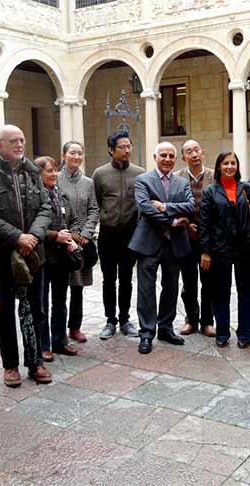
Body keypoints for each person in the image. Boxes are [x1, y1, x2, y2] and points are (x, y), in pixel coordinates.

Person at [0, 124, 53, 387]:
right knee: (4, 312)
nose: (20, 145)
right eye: (13, 141)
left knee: (36, 310)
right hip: (2, 255)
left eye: (22, 140)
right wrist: (17, 237)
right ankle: (10, 365)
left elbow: (45, 206)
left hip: (33, 253)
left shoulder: (32, 173)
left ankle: (36, 361)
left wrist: (33, 236)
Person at [129, 142, 195, 354]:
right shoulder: (143, 180)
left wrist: (165, 206)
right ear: (155, 156)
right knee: (146, 289)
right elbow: (146, 208)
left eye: (171, 156)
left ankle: (166, 328)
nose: (167, 159)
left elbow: (190, 206)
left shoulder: (182, 181)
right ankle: (147, 333)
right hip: (149, 242)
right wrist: (174, 222)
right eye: (163, 155)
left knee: (171, 287)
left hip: (174, 245)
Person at [199, 151, 250, 348]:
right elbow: (204, 223)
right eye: (225, 163)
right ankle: (222, 333)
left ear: (237, 166)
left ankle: (245, 334)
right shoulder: (210, 191)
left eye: (233, 163)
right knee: (221, 293)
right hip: (220, 250)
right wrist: (205, 251)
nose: (229, 166)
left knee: (246, 291)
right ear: (219, 166)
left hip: (246, 249)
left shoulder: (247, 189)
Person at [92, 131, 145, 339]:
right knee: (108, 279)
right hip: (107, 233)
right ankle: (110, 320)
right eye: (122, 147)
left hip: (130, 233)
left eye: (129, 146)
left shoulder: (139, 173)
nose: (127, 150)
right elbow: (95, 203)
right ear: (111, 150)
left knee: (126, 278)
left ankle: (124, 319)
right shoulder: (100, 174)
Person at [36, 156, 81, 359]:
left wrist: (72, 236)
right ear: (39, 174)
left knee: (60, 302)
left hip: (62, 257)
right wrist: (56, 235)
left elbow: (75, 220)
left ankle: (60, 341)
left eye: (55, 170)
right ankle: (44, 345)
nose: (54, 174)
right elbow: (32, 229)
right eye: (49, 171)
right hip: (43, 258)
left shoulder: (61, 196)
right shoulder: (34, 197)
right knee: (42, 303)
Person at [57, 141, 100, 344]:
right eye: (72, 152)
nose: (76, 156)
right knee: (59, 289)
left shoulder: (88, 183)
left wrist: (86, 232)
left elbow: (94, 209)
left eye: (79, 153)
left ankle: (75, 327)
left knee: (78, 287)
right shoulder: (54, 180)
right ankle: (57, 331)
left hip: (81, 242)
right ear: (63, 155)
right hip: (60, 241)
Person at [175, 139, 215, 337]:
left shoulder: (215, 177)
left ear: (203, 151)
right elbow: (172, 207)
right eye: (189, 151)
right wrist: (185, 223)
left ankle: (208, 321)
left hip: (209, 239)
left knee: (209, 282)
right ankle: (191, 319)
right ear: (183, 157)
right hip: (185, 238)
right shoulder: (177, 178)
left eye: (197, 150)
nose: (194, 154)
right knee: (189, 281)